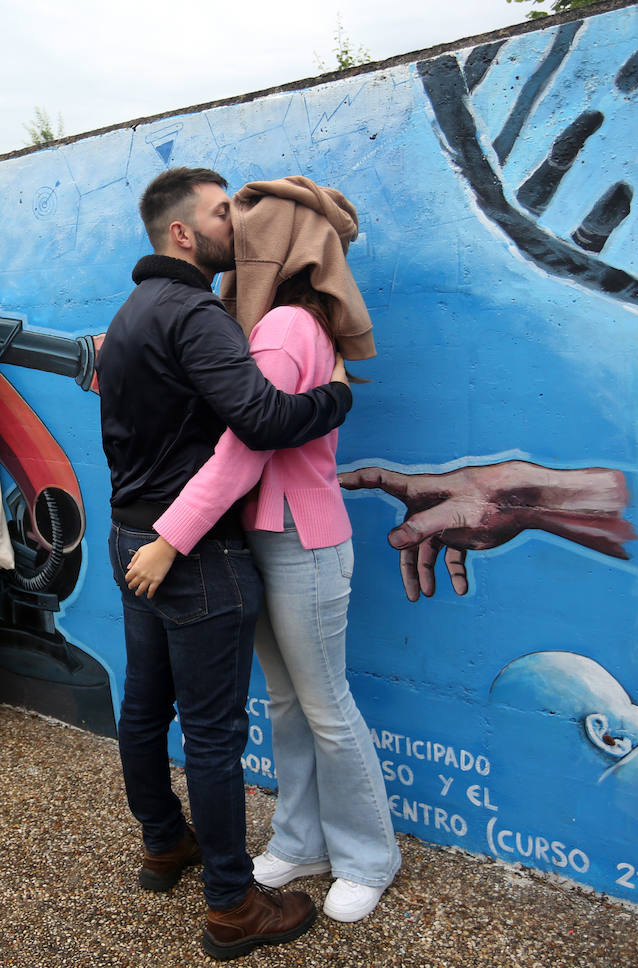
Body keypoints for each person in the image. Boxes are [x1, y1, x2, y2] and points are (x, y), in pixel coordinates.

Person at [124, 177, 399, 924]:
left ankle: (370, 856)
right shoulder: (282, 325)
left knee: (325, 709)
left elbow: (245, 449)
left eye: (246, 235)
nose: (232, 244)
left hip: (298, 541)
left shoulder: (282, 329)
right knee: (289, 704)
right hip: (277, 539)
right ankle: (303, 838)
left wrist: (169, 539)